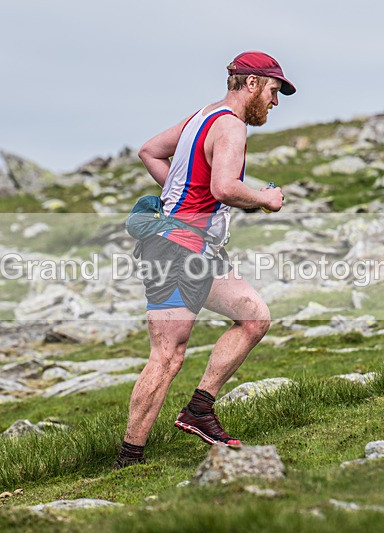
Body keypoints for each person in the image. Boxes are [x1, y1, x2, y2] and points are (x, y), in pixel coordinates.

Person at [113, 51, 296, 469]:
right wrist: (266, 199)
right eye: (273, 90)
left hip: (200, 250)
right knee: (167, 356)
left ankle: (199, 409)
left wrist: (180, 198)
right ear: (250, 84)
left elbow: (149, 152)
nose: (275, 101)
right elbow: (225, 187)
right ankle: (129, 460)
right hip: (177, 250)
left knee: (254, 317)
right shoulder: (230, 126)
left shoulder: (203, 116)